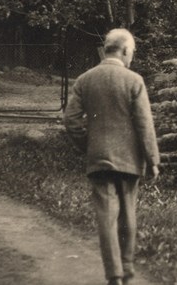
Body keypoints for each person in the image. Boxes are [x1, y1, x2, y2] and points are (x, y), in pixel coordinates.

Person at [64, 28, 160, 285]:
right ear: (126, 51)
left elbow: (71, 120)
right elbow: (144, 124)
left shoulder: (85, 79)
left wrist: (88, 145)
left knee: (106, 217)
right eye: (133, 53)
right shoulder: (134, 80)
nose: (132, 58)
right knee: (128, 215)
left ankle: (114, 275)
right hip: (130, 161)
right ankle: (127, 271)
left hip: (99, 159)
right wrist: (153, 160)